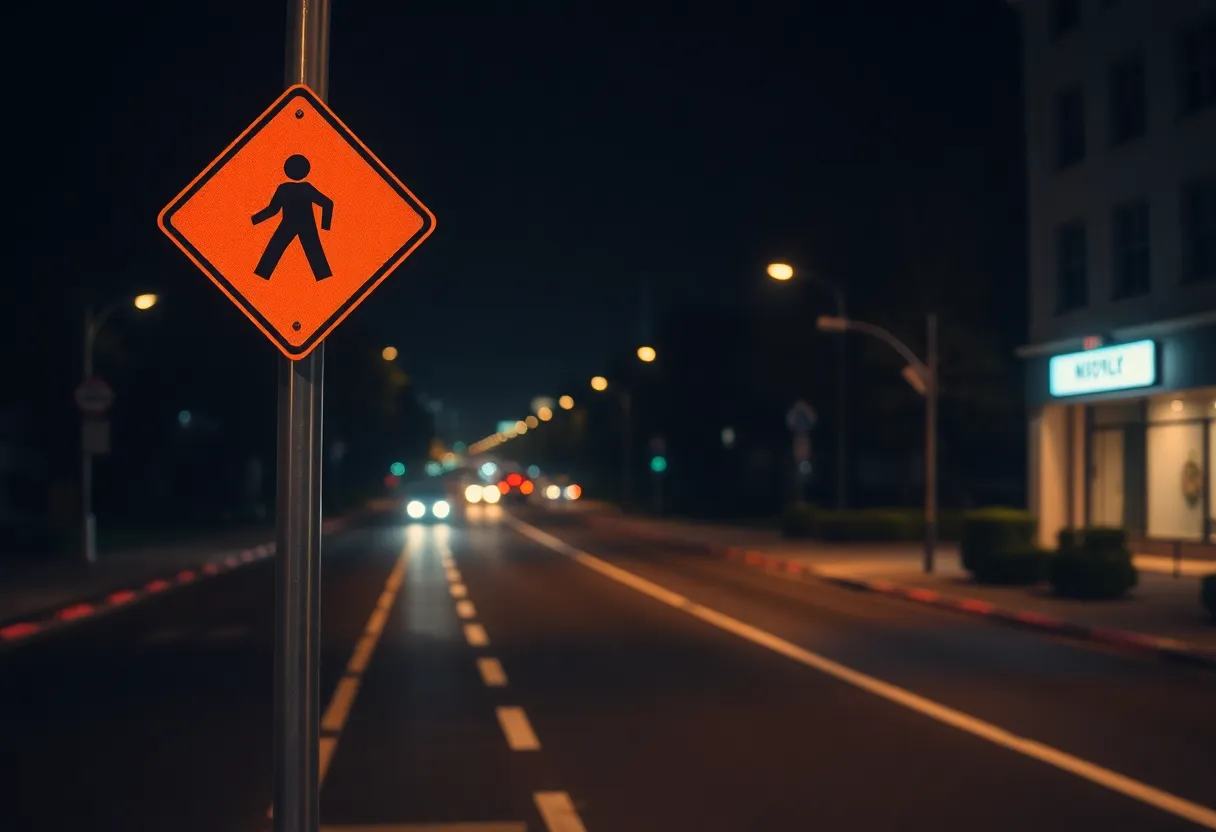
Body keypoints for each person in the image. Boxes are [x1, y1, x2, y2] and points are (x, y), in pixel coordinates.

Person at [252, 154, 334, 280]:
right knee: (277, 249)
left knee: (275, 249)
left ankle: (261, 275)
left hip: (291, 225)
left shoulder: (285, 188)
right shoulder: (305, 188)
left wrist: (254, 220)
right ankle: (260, 277)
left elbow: (273, 210)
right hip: (304, 225)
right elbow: (327, 203)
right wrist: (325, 226)